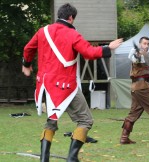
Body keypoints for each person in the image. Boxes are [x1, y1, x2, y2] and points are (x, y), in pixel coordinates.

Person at [22, 3, 122, 162]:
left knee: (51, 121)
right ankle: (72, 157)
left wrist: (26, 65)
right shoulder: (72, 34)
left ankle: (44, 159)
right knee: (86, 120)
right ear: (70, 18)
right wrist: (108, 48)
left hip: (45, 87)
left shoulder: (43, 31)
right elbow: (89, 53)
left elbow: (28, 49)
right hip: (65, 86)